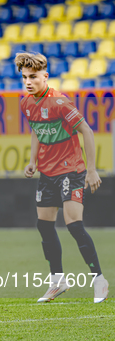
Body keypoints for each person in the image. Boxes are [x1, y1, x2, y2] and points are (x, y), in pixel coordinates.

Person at [16, 52, 109, 303]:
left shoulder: (60, 102)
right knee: (43, 225)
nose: (28, 81)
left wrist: (91, 170)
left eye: (33, 76)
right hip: (47, 172)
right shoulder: (26, 103)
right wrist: (33, 161)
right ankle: (57, 281)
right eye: (24, 77)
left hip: (72, 170)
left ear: (45, 76)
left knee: (73, 224)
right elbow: (36, 131)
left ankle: (99, 280)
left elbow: (86, 130)